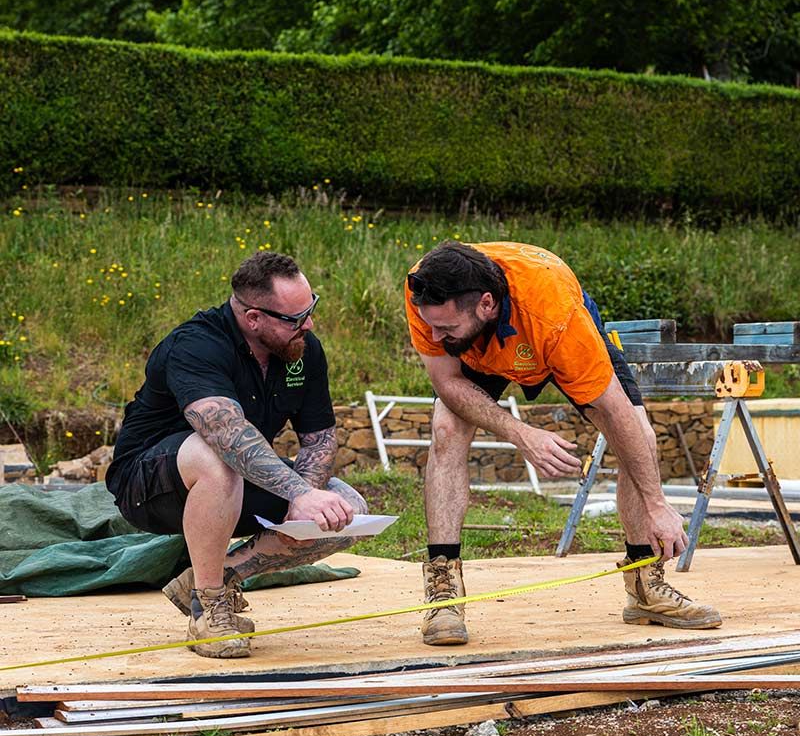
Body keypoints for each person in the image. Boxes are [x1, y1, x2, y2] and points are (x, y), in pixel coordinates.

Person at [404, 240, 721, 646]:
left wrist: (658, 504)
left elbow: (617, 413)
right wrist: (523, 434)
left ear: (485, 304)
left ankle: (645, 586)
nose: (433, 335)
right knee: (446, 429)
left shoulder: (557, 317)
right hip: (483, 348)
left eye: (445, 329)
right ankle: (444, 590)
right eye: (431, 325)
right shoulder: (425, 290)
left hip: (547, 330)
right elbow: (447, 382)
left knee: (638, 435)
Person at [106, 251, 367, 659]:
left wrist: (308, 497)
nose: (309, 325)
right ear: (253, 319)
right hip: (149, 485)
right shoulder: (195, 344)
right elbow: (225, 432)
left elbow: (318, 437)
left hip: (232, 483)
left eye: (311, 308)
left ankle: (216, 577)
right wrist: (297, 492)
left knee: (347, 509)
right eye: (296, 318)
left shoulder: (302, 350)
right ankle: (208, 609)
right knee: (219, 455)